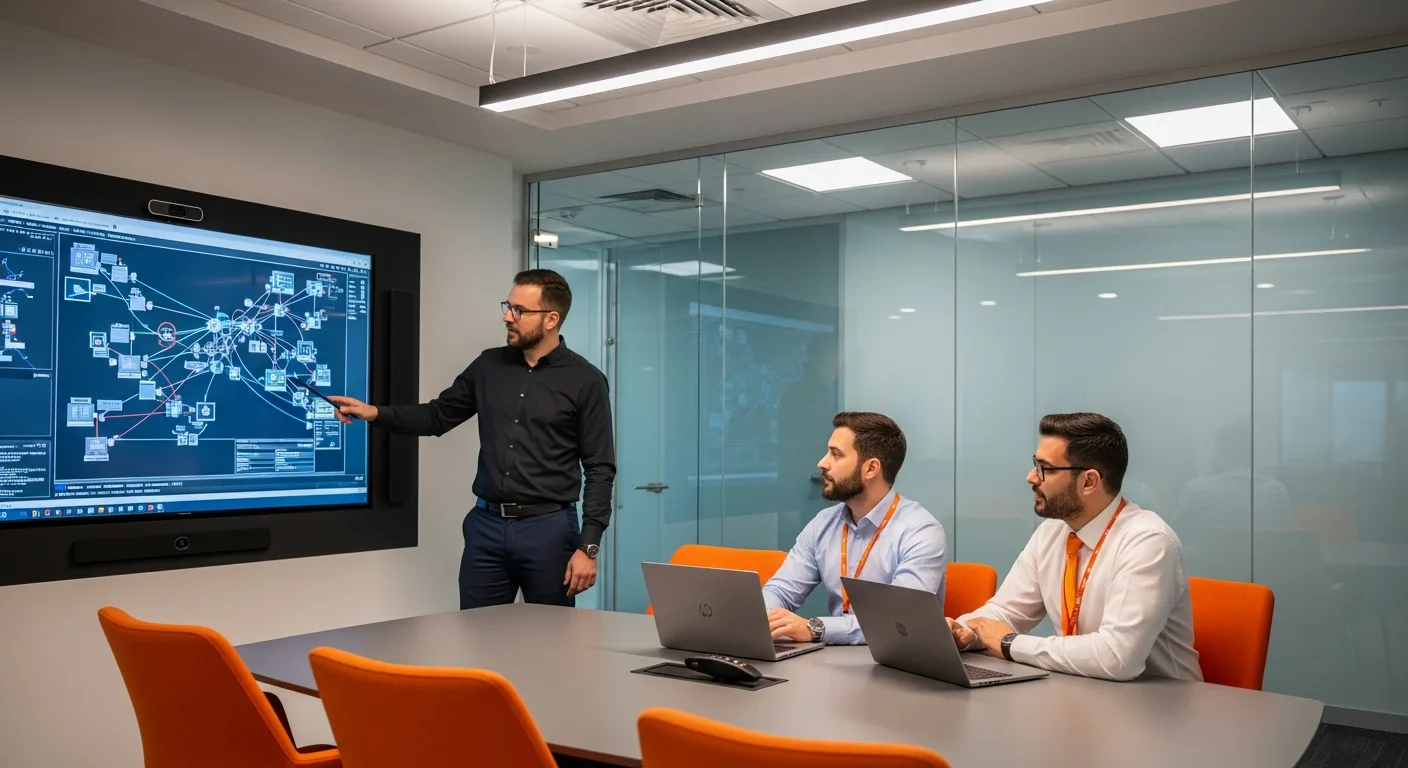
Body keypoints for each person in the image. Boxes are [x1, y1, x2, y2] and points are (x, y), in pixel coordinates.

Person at [329, 269, 616, 610]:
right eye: (507, 307)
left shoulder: (585, 380)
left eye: (519, 311)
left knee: (552, 634)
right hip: (486, 528)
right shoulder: (488, 365)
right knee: (476, 632)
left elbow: (600, 468)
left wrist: (588, 547)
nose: (507, 317)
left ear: (551, 319)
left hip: (549, 530)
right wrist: (375, 412)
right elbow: (437, 416)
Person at [950, 413, 1202, 682]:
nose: (1031, 477)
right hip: (1082, 689)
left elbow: (1116, 658)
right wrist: (963, 631)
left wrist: (1010, 643)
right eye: (1035, 464)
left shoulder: (1147, 542)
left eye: (1046, 468)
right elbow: (1007, 611)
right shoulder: (1051, 532)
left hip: (1160, 701)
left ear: (1089, 482)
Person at [763, 412, 947, 646]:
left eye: (836, 454)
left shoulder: (920, 531)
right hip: (835, 657)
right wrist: (762, 618)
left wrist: (815, 628)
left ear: (871, 469)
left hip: (899, 660)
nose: (822, 463)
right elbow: (781, 590)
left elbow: (899, 619)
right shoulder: (823, 523)